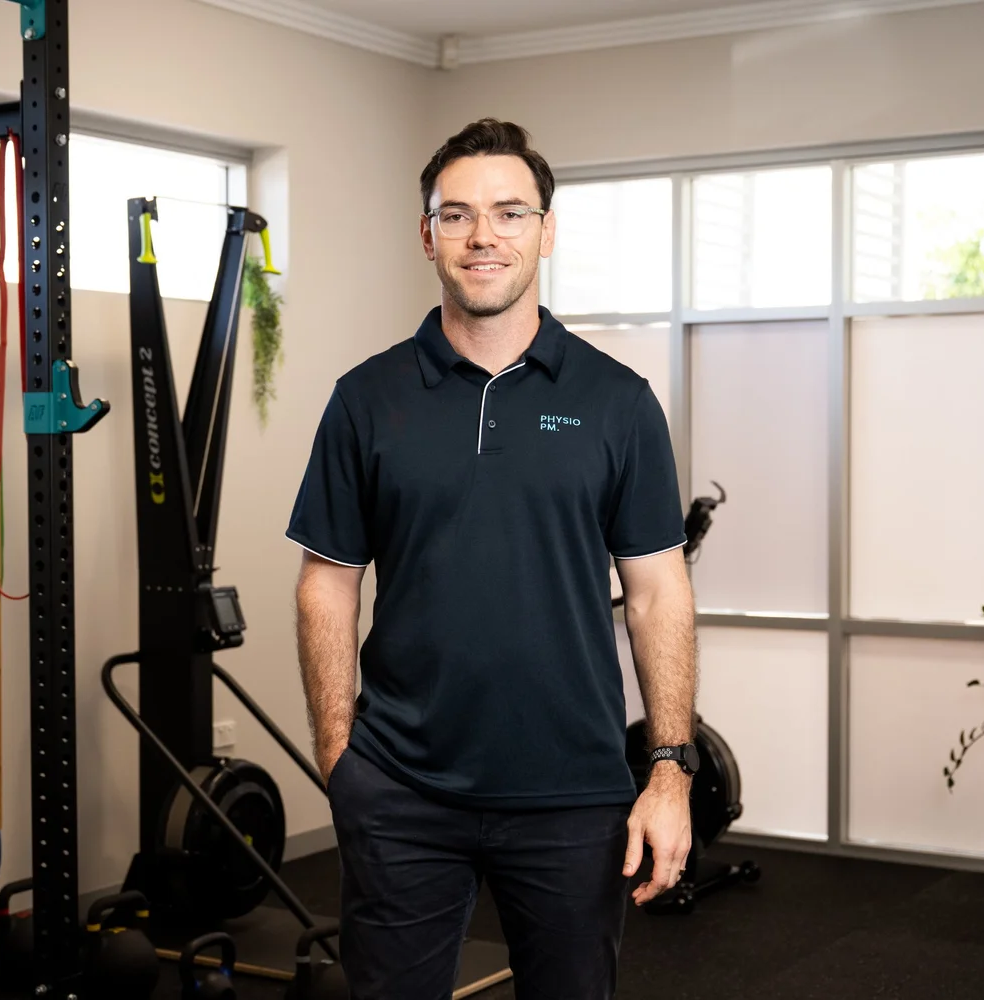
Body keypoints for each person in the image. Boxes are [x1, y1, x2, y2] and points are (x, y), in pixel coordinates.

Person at [286, 119, 699, 1000]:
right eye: (458, 214)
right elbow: (328, 582)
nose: (484, 236)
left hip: (573, 795)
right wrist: (338, 757)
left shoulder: (617, 403)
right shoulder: (366, 400)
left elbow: (659, 590)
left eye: (510, 213)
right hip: (401, 790)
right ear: (426, 233)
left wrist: (669, 768)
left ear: (546, 232)